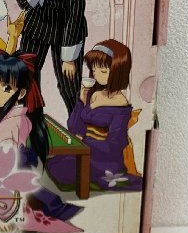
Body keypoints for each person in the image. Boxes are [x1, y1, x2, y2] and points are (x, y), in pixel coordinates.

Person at [0, 50, 84, 233]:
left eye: (6, 87)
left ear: (21, 93)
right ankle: (50, 206)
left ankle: (29, 213)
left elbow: (6, 168)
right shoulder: (14, 117)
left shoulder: (13, 122)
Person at [48, 40, 142, 193]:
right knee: (53, 164)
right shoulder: (93, 93)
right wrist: (81, 101)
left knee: (63, 172)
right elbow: (74, 127)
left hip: (105, 159)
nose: (96, 74)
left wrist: (85, 144)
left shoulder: (121, 105)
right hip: (85, 150)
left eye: (103, 71)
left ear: (118, 71)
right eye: (93, 68)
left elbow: (115, 145)